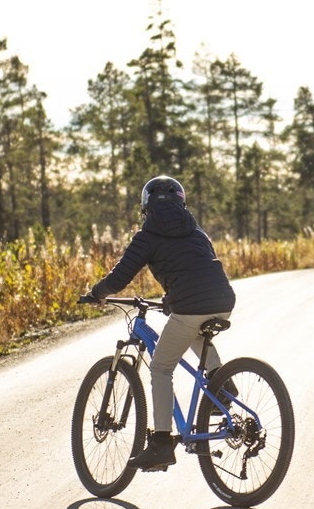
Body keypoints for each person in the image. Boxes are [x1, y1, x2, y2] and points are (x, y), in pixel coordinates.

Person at [80, 175, 236, 472]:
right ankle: (223, 388)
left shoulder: (147, 237)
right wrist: (172, 297)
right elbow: (197, 269)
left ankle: (162, 443)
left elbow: (120, 277)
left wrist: (97, 293)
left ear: (146, 207)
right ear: (181, 202)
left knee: (161, 368)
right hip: (223, 300)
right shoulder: (197, 232)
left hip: (190, 305)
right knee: (194, 331)